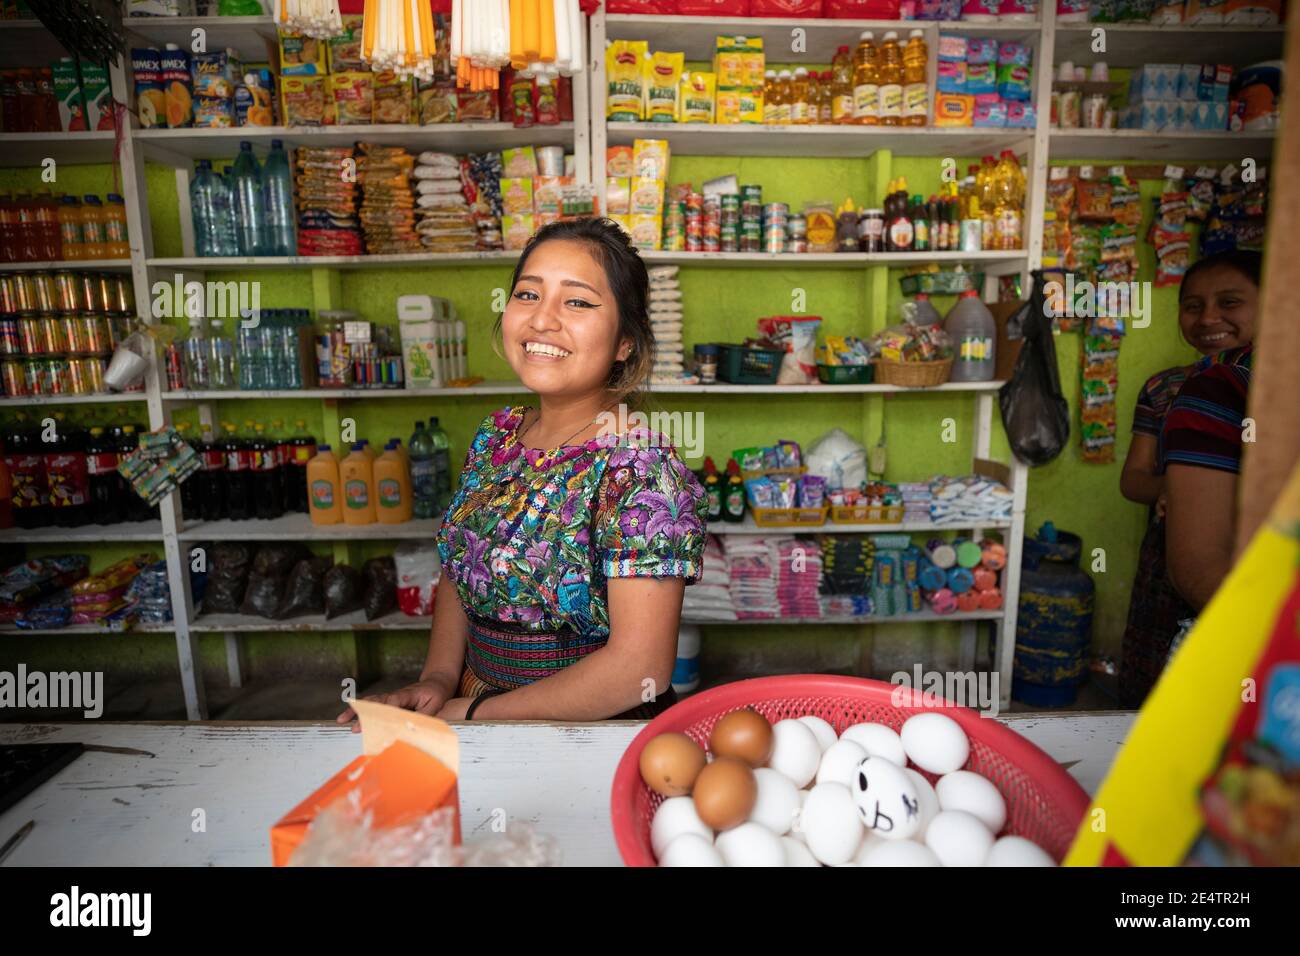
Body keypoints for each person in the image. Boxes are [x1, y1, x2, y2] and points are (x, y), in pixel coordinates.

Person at [340, 217, 706, 725]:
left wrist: (470, 714)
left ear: (626, 341)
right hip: (472, 699)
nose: (542, 320)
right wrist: (438, 681)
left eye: (577, 301)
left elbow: (638, 669)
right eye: (528, 295)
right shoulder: (497, 436)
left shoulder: (641, 469)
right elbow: (458, 567)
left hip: (591, 730)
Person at [1119, 250, 1260, 707]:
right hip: (1172, 564)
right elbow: (1133, 479)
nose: (1209, 317)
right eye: (1194, 305)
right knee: (1155, 684)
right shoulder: (1168, 388)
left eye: (1230, 302)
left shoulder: (1265, 387)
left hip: (1241, 571)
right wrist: (1170, 489)